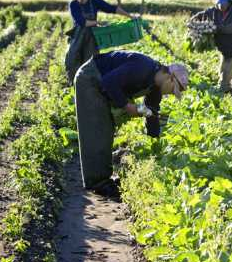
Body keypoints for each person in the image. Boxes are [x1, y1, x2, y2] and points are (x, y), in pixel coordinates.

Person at [74, 50, 188, 196]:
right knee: (97, 129)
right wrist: (128, 107)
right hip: (90, 78)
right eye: (172, 90)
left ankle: (103, 177)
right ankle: (97, 182)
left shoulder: (156, 87)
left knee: (107, 130)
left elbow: (151, 110)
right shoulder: (143, 67)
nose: (170, 94)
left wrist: (156, 142)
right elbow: (108, 82)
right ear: (170, 78)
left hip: (102, 83)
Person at [65, 0, 136, 84]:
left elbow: (112, 8)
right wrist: (97, 22)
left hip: (92, 35)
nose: (83, 0)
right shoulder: (73, 4)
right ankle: (73, 83)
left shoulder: (93, 1)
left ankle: (89, 84)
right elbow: (81, 22)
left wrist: (130, 16)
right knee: (72, 60)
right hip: (78, 35)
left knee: (91, 61)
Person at [190, 0, 232, 94]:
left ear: (229, 2)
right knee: (224, 77)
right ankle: (223, 94)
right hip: (226, 51)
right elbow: (205, 13)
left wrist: (217, 28)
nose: (220, 6)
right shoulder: (215, 10)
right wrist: (196, 18)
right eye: (219, 4)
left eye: (223, 4)